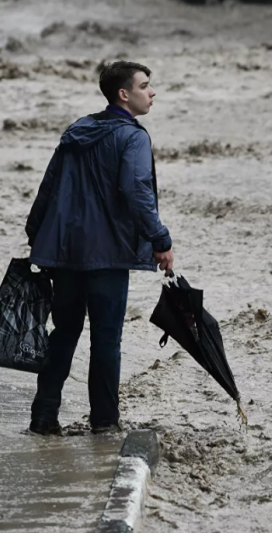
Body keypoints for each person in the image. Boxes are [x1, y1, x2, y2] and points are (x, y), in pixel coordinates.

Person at [25, 61, 175, 436]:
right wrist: (161, 240)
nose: (152, 92)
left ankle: (43, 416)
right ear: (124, 94)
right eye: (145, 86)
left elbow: (48, 187)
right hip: (107, 255)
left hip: (66, 252)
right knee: (106, 339)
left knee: (64, 332)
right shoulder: (134, 137)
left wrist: (37, 237)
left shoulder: (78, 130)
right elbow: (137, 193)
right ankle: (104, 421)